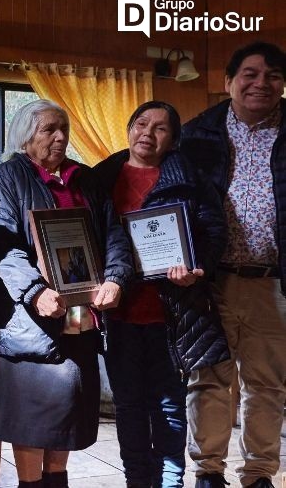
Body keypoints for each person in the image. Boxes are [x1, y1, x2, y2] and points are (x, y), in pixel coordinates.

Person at [0, 99, 133, 488]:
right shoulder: (8, 177)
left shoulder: (85, 179)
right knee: (31, 421)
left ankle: (56, 482)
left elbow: (114, 235)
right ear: (25, 135)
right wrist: (35, 292)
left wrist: (115, 277)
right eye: (49, 129)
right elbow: (3, 245)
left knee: (67, 416)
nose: (60, 136)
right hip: (31, 324)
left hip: (81, 321)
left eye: (63, 128)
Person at [94, 101, 229, 488]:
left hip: (173, 313)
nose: (147, 134)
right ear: (129, 128)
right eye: (141, 124)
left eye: (160, 128)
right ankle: (138, 479)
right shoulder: (101, 177)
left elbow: (213, 233)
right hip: (119, 313)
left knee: (170, 406)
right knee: (129, 406)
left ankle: (171, 481)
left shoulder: (188, 177)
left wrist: (197, 268)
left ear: (173, 140)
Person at [180, 42, 286, 488]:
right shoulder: (197, 134)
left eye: (273, 75)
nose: (262, 82)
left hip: (273, 284)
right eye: (250, 73)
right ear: (228, 82)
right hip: (210, 280)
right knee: (209, 380)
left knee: (267, 385)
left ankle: (259, 472)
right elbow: (172, 200)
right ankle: (208, 471)